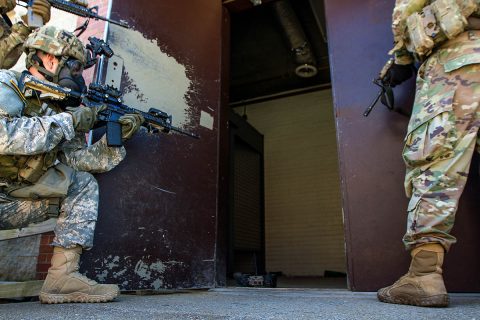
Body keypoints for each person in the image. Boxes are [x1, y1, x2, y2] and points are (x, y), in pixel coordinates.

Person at [0, 25, 143, 303]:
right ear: (49, 57)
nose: (78, 77)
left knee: (82, 184)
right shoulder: (8, 84)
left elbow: (77, 160)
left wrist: (116, 138)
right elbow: (3, 136)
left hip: (12, 202)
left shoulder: (60, 108)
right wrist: (71, 121)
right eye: (75, 68)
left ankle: (61, 278)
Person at [377, 0, 480, 307]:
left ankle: (423, 276)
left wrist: (403, 55)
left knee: (435, 165)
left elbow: (409, 11)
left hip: (458, 60)